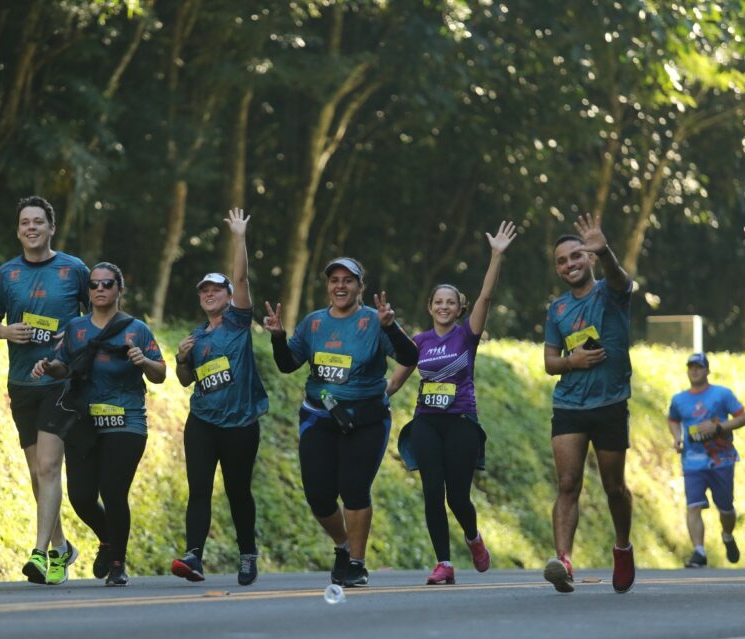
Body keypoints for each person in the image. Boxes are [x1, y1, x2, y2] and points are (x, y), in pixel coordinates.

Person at [263, 258, 417, 587]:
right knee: (318, 495)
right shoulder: (313, 323)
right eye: (334, 280)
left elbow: (410, 357)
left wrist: (390, 327)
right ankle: (344, 546)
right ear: (328, 286)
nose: (340, 286)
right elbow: (288, 364)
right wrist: (278, 336)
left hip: (366, 418)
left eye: (348, 280)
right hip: (319, 415)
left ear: (361, 287)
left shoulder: (375, 322)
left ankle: (357, 564)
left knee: (354, 489)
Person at [387, 221, 517, 585]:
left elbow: (486, 298)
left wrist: (495, 256)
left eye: (451, 302)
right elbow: (396, 381)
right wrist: (366, 399)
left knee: (458, 497)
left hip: (461, 422)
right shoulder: (419, 341)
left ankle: (474, 539)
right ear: (430, 307)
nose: (444, 307)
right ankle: (443, 563)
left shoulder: (466, 335)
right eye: (438, 302)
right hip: (426, 422)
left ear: (459, 308)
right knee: (432, 492)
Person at [0, 196, 98, 585]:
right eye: (24, 223)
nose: (31, 228)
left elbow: (101, 309)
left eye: (38, 222)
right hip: (21, 383)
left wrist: (74, 331)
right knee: (37, 472)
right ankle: (62, 548)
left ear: (51, 228)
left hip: (60, 381)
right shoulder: (6, 274)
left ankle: (40, 553)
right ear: (18, 231)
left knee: (49, 466)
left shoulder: (73, 269)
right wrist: (5, 331)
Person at [31, 262, 165, 586]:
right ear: (88, 291)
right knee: (81, 496)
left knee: (114, 492)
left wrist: (143, 361)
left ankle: (117, 563)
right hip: (84, 423)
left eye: (107, 284)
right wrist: (48, 368)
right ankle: (108, 539)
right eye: (94, 285)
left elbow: (160, 373)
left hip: (125, 422)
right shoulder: (76, 328)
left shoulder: (137, 329)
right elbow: (64, 367)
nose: (100, 289)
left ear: (119, 289)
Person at [170, 208, 268, 586]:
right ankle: (194, 555)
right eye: (204, 291)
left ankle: (247, 554)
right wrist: (181, 359)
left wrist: (239, 237)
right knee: (199, 490)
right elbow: (183, 380)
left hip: (241, 423)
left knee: (238, 491)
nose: (209, 294)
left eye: (217, 289)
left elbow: (241, 277)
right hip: (203, 422)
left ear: (229, 296)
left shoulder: (238, 322)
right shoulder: (196, 337)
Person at [542, 213, 635, 594]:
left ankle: (622, 547)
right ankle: (562, 561)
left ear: (590, 258)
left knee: (614, 487)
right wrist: (571, 362)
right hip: (569, 404)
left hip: (610, 402)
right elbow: (549, 363)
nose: (569, 264)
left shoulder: (610, 292)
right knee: (567, 483)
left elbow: (620, 279)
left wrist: (606, 249)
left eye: (576, 256)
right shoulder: (557, 310)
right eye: (562, 261)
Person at [668, 352, 745, 568]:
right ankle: (699, 552)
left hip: (721, 460)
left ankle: (728, 535)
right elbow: (673, 419)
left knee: (726, 509)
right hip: (693, 462)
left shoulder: (722, 394)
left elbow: (742, 418)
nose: (694, 371)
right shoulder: (679, 399)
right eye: (691, 367)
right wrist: (677, 438)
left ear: (707, 370)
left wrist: (719, 427)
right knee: (693, 506)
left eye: (699, 367)